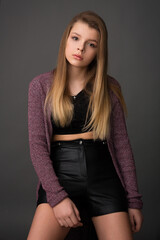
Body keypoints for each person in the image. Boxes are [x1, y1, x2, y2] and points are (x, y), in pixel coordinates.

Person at [27, 11, 143, 240]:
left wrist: (133, 200)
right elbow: (37, 147)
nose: (80, 49)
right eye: (76, 38)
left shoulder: (109, 87)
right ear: (66, 40)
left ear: (99, 50)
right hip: (61, 175)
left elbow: (122, 146)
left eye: (91, 44)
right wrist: (57, 197)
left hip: (104, 177)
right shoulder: (40, 86)